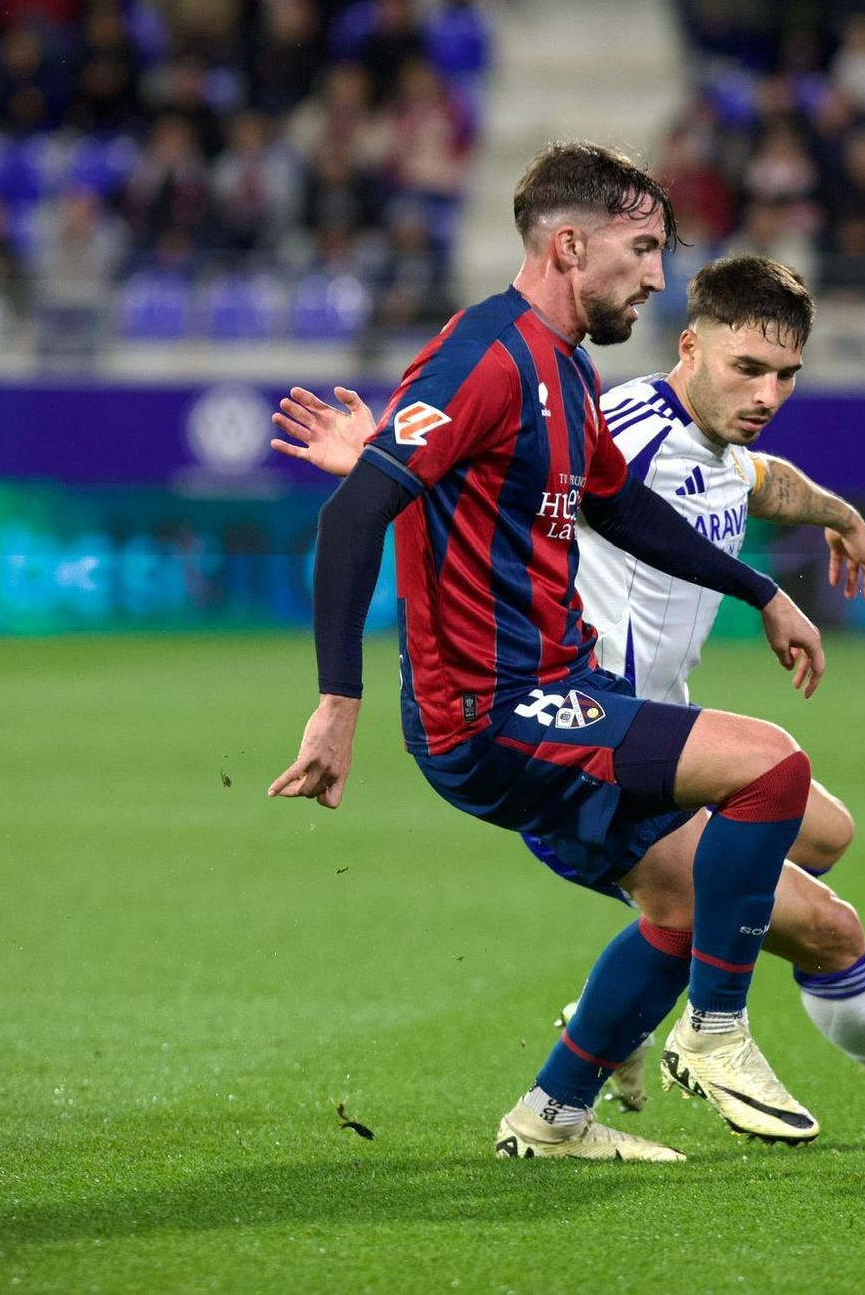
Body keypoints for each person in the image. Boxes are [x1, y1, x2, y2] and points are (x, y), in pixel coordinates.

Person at [269, 254, 865, 1145]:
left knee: (823, 835)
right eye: (747, 369)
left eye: (786, 377)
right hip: (574, 733)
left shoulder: (712, 444)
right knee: (819, 923)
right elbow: (489, 475)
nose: (769, 393)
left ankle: (586, 1059)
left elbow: (760, 480)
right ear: (689, 347)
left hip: (639, 737)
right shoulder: (617, 423)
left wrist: (839, 515)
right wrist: (383, 459)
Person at [269, 144, 830, 1163]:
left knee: (683, 892)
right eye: (643, 248)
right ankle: (713, 1031)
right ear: (571, 245)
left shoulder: (563, 364)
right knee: (771, 767)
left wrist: (762, 592)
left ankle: (553, 1115)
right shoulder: (487, 356)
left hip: (554, 687)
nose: (658, 276)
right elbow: (356, 514)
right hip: (490, 709)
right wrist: (334, 702)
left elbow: (618, 503)